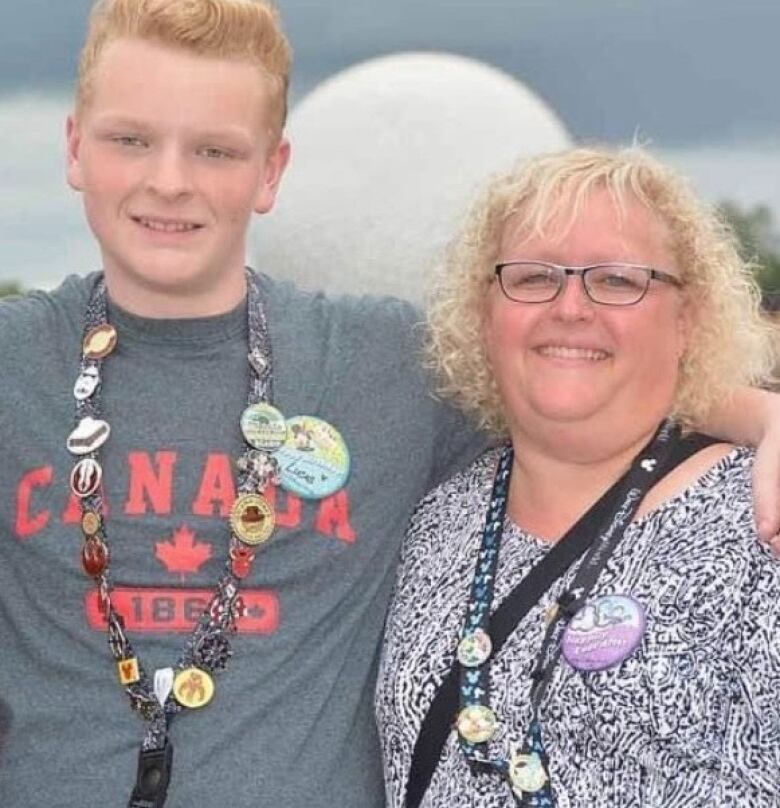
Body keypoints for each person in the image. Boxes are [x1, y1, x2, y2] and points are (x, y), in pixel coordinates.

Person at [0, 2, 777, 806]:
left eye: (216, 150)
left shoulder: (380, 363)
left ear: (271, 171)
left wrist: (765, 419)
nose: (170, 180)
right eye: (130, 139)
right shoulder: (13, 361)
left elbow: (583, 375)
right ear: (74, 148)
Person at [376, 147, 780, 807]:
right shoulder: (433, 518)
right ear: (484, 315)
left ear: (686, 319)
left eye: (618, 280)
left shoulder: (760, 524)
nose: (570, 306)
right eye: (533, 277)